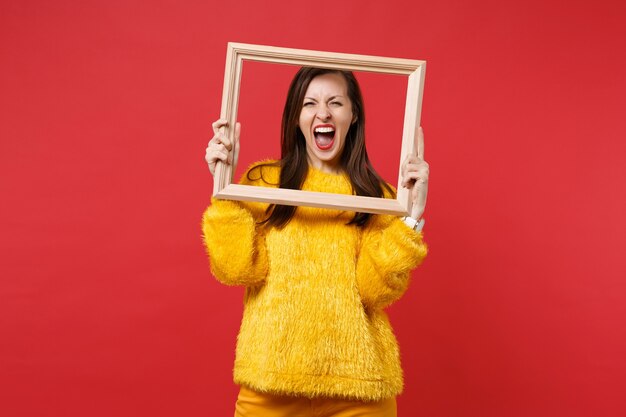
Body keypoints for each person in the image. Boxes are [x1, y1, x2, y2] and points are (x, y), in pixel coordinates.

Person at [202, 67, 429, 417]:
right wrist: (224, 187)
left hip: (359, 392)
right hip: (271, 384)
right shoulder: (262, 183)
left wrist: (409, 218)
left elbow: (375, 291)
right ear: (296, 117)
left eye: (335, 102)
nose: (323, 113)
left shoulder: (380, 197)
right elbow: (235, 269)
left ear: (353, 116)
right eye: (310, 103)